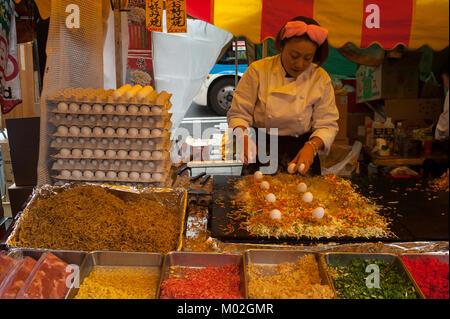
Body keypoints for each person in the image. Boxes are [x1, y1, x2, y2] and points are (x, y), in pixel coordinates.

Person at [227, 16, 339, 175]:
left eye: (308, 58)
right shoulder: (258, 71)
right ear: (281, 46)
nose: (299, 64)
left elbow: (327, 123)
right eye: (294, 55)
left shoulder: (320, 78)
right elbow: (239, 113)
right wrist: (243, 137)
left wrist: (312, 146)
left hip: (301, 151)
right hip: (261, 149)